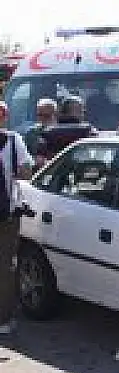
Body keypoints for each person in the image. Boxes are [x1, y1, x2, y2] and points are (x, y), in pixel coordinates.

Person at [0, 101, 34, 335]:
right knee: (5, 266)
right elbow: (26, 171)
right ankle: (3, 319)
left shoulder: (14, 141)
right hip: (7, 214)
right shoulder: (13, 141)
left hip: (7, 213)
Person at [23, 98, 58, 167]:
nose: (42, 119)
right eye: (40, 115)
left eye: (46, 116)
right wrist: (34, 159)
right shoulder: (31, 134)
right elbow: (23, 157)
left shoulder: (62, 132)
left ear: (55, 115)